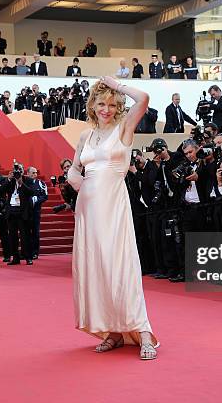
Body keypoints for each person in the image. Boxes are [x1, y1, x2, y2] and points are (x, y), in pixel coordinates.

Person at [67, 76, 158, 360]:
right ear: (92, 104)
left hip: (113, 206)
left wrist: (116, 84)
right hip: (87, 208)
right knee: (96, 267)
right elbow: (74, 167)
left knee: (121, 265)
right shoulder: (85, 135)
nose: (106, 109)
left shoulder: (124, 128)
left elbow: (142, 99)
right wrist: (73, 179)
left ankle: (142, 331)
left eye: (112, 104)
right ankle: (113, 331)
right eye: (101, 103)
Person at [27, 166, 48, 260]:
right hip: (26, 212)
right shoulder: (23, 183)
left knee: (35, 232)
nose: (35, 174)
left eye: (35, 172)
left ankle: (35, 252)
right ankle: (27, 252)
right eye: (33, 172)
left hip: (36, 211)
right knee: (26, 232)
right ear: (28, 173)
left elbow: (45, 196)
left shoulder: (40, 183)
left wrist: (37, 200)